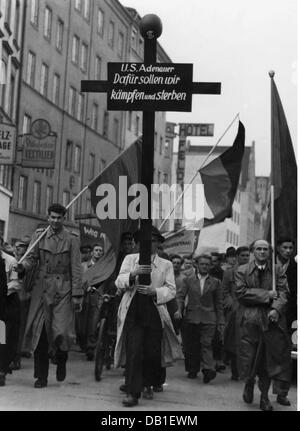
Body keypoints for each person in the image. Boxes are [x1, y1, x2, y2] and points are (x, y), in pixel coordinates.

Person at [15, 203, 83, 388]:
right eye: (52, 217)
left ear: (64, 219)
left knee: (61, 332)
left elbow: (76, 267)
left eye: (59, 218)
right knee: (40, 334)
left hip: (63, 289)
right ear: (48, 217)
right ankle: (41, 376)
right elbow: (31, 259)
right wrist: (22, 266)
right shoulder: (39, 237)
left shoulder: (71, 240)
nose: (55, 221)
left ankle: (61, 358)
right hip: (42, 289)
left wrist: (77, 293)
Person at [114, 226, 182, 407]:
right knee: (134, 350)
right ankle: (132, 392)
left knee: (152, 352)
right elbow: (119, 280)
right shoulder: (130, 259)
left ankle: (148, 382)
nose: (148, 244)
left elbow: (171, 289)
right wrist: (133, 274)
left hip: (154, 310)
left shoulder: (165, 264)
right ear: (138, 243)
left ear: (158, 243)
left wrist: (155, 291)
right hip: (133, 309)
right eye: (144, 240)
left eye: (152, 240)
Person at [235, 239, 290, 411]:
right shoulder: (242, 270)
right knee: (250, 358)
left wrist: (276, 309)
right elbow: (241, 293)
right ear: (253, 251)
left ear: (270, 252)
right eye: (258, 249)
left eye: (265, 249)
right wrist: (267, 294)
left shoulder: (276, 270)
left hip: (270, 321)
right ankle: (249, 383)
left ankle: (264, 397)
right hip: (250, 321)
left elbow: (284, 293)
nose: (262, 252)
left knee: (268, 360)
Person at [177, 254, 224, 383]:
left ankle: (208, 369)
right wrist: (179, 310)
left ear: (210, 266)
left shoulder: (216, 282)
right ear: (197, 265)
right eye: (202, 264)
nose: (204, 266)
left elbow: (219, 303)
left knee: (206, 343)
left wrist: (220, 321)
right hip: (191, 317)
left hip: (209, 318)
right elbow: (181, 296)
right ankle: (192, 369)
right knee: (191, 345)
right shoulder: (188, 280)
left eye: (207, 264)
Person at [272, 237, 297, 406]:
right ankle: (254, 386)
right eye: (285, 247)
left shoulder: (296, 269)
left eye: (291, 248)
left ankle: (282, 393)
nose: (288, 251)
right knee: (265, 355)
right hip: (267, 314)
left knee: (285, 356)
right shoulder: (267, 267)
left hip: (288, 317)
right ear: (278, 248)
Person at [223, 246, 250, 380]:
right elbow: (225, 291)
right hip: (235, 311)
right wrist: (231, 303)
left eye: (247, 255)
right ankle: (235, 371)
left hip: (250, 310)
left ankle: (247, 372)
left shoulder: (254, 271)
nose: (245, 258)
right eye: (243, 255)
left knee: (249, 342)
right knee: (234, 342)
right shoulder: (229, 273)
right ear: (237, 256)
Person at [0, 236, 22, 386]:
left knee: (2, 338)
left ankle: (1, 371)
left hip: (7, 303)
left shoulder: (11, 261)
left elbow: (15, 282)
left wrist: (2, 290)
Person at [81, 243, 105, 360]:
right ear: (92, 253)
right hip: (84, 298)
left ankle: (91, 347)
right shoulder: (83, 266)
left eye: (101, 251)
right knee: (81, 324)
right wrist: (86, 287)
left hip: (97, 298)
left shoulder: (105, 268)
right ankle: (83, 344)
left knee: (93, 323)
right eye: (96, 250)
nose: (98, 252)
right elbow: (79, 279)